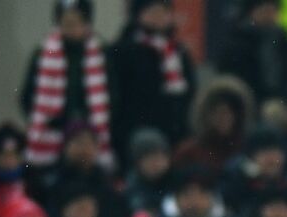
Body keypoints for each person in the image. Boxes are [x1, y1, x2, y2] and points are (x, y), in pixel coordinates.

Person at [21, 0, 114, 171]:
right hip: (52, 133)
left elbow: (113, 96)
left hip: (90, 132)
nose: (71, 28)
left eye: (76, 22)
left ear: (87, 24)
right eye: (66, 23)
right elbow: (28, 97)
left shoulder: (102, 54)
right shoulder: (43, 53)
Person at [109, 0, 195, 157]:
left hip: (174, 136)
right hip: (135, 135)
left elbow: (189, 93)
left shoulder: (178, 51)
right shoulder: (123, 50)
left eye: (163, 12)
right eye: (153, 12)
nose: (159, 17)